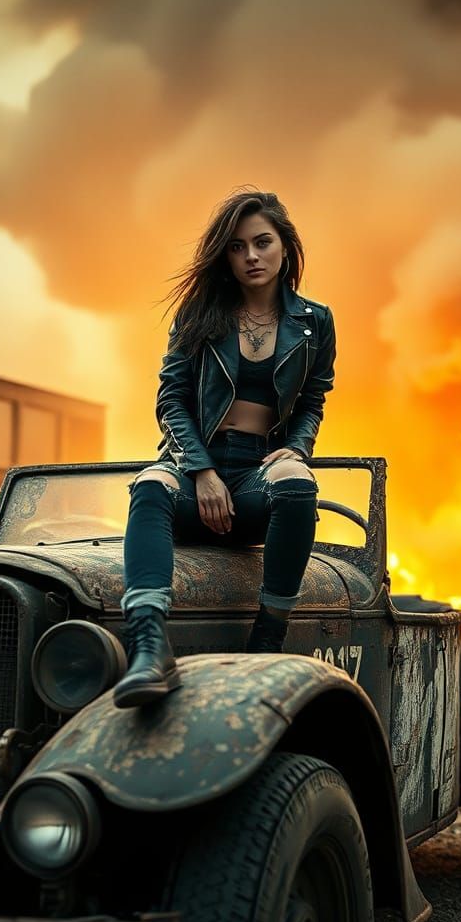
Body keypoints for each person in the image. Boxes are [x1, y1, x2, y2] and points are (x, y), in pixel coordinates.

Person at [113, 189, 337, 708]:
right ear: (226, 256)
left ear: (286, 247)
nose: (251, 256)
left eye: (262, 243)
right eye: (237, 248)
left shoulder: (315, 321)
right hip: (198, 468)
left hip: (261, 476)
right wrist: (200, 470)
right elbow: (171, 398)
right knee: (148, 484)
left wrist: (298, 448)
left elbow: (313, 397)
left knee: (300, 485)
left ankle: (267, 640)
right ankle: (148, 648)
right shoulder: (199, 315)